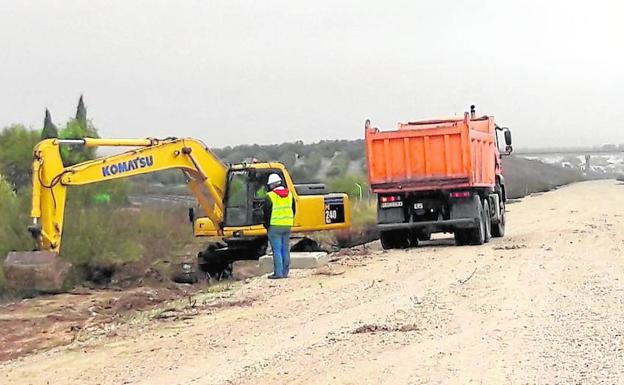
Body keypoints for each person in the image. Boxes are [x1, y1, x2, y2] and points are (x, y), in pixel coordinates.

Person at [263, 173, 296, 279]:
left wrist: (267, 226)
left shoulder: (270, 196)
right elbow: (293, 210)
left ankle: (278, 273)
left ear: (272, 185)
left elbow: (266, 214)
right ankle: (285, 272)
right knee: (285, 248)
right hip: (287, 225)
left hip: (274, 226)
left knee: (276, 250)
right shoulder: (290, 194)